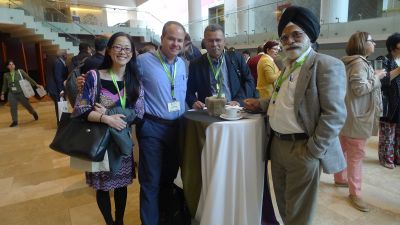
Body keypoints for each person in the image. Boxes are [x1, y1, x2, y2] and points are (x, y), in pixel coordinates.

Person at [244, 6, 347, 225]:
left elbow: (334, 115)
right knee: (283, 206)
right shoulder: (287, 65)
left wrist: (313, 150)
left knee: (299, 214)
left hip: (303, 148)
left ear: (309, 35)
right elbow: (285, 101)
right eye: (284, 37)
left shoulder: (326, 65)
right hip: (277, 145)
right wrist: (260, 104)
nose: (289, 40)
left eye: (296, 34)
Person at [72, 32, 144, 225]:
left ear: (132, 53)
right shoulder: (94, 77)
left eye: (127, 48)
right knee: (102, 187)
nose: (123, 52)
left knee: (121, 186)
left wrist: (111, 114)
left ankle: (119, 221)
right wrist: (106, 118)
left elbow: (139, 113)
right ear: (109, 50)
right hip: (99, 142)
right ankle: (109, 222)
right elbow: (81, 109)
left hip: (121, 142)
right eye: (118, 47)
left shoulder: (135, 80)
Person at [136, 21, 187, 225]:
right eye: (171, 38)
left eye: (180, 40)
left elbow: (180, 94)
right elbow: (121, 79)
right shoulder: (142, 61)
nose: (175, 43)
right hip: (152, 129)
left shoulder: (182, 64)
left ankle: (165, 218)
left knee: (168, 179)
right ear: (162, 38)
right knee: (151, 182)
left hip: (177, 129)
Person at [334, 31, 385, 212]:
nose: (374, 43)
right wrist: (377, 77)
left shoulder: (348, 62)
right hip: (358, 116)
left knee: (344, 150)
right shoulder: (359, 63)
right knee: (356, 156)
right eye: (372, 40)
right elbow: (360, 88)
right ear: (363, 43)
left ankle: (340, 179)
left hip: (347, 115)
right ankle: (355, 193)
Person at [186, 24, 256, 109]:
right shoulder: (196, 64)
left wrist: (238, 101)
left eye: (218, 40)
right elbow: (189, 91)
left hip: (233, 110)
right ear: (204, 42)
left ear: (224, 41)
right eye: (210, 41)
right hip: (208, 114)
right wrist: (193, 102)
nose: (214, 44)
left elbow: (249, 81)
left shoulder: (236, 59)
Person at [376, 32, 400, 169]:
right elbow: (381, 81)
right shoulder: (383, 60)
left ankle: (397, 157)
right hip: (388, 103)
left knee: (398, 133)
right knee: (388, 133)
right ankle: (386, 158)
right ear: (392, 47)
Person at [1, 60, 41, 127]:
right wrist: (2, 93)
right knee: (13, 107)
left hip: (21, 93)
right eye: (10, 64)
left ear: (14, 65)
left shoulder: (20, 71)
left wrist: (36, 84)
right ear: (7, 66)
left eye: (12, 64)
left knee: (27, 105)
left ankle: (33, 112)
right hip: (12, 93)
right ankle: (15, 121)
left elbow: (28, 78)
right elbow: (4, 85)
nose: (11, 65)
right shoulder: (5, 75)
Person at [46, 49, 69, 124]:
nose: (67, 55)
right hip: (56, 89)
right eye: (66, 54)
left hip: (56, 88)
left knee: (60, 105)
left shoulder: (59, 62)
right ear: (63, 55)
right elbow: (58, 77)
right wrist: (61, 90)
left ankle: (62, 122)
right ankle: (61, 123)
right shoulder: (58, 63)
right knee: (60, 105)